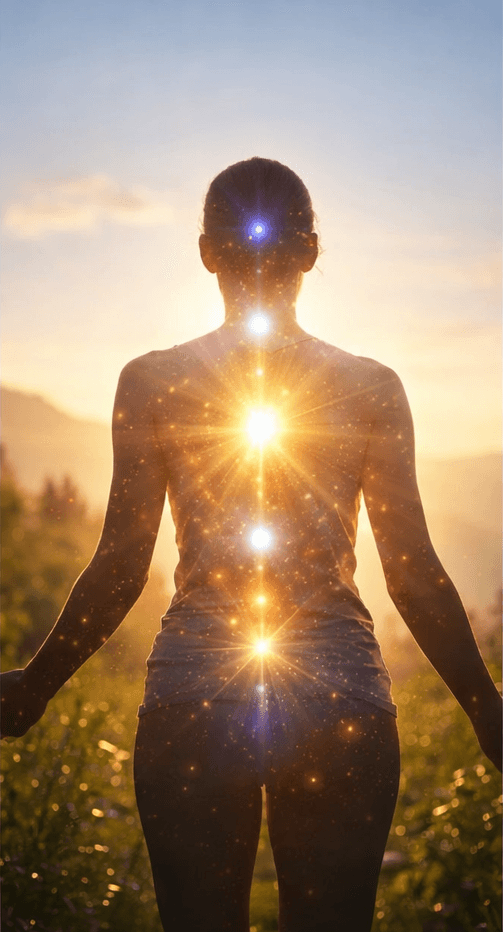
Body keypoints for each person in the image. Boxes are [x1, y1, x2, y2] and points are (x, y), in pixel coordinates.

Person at [1, 156, 501, 932]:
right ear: (311, 252)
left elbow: (121, 567)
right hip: (341, 697)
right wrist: (485, 708)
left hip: (193, 695)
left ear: (205, 251)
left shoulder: (150, 380)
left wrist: (36, 684)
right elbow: (413, 572)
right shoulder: (373, 387)